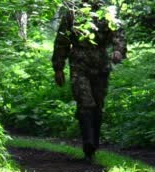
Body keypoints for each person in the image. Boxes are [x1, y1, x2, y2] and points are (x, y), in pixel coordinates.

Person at [52, 0, 126, 161]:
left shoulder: (108, 11)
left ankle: (94, 146)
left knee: (98, 104)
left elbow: (118, 33)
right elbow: (62, 40)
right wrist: (58, 67)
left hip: (101, 65)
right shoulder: (73, 11)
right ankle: (88, 144)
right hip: (79, 63)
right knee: (85, 102)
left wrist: (118, 50)